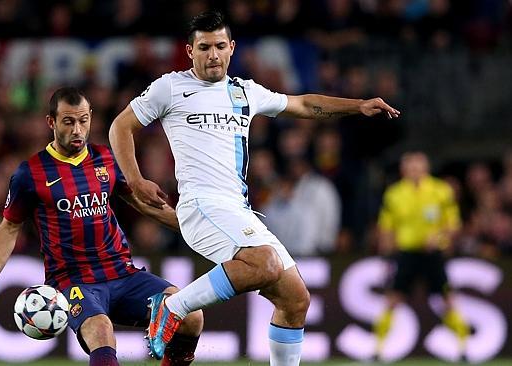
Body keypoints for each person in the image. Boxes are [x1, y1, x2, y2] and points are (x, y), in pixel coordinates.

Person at [108, 10, 400, 364]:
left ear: (231, 48)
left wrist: (358, 105)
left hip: (237, 209)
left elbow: (304, 104)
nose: (212, 54)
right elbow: (120, 127)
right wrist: (136, 180)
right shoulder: (170, 87)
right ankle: (172, 306)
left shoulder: (246, 91)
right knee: (265, 262)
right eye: (203, 47)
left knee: (295, 300)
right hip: (202, 205)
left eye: (219, 46)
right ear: (190, 51)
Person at [0, 87, 203, 366]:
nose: (77, 129)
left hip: (123, 273)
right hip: (74, 282)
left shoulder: (106, 159)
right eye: (68, 121)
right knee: (101, 330)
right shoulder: (31, 173)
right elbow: (9, 227)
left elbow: (141, 203)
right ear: (51, 122)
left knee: (191, 316)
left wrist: (197, 230)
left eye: (83, 121)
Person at [373, 151, 469, 358]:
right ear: (403, 170)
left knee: (447, 298)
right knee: (393, 298)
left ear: (426, 169)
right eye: (410, 167)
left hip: (433, 254)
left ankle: (463, 348)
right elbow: (386, 227)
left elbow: (453, 224)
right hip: (407, 254)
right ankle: (378, 350)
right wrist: (386, 254)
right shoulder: (394, 194)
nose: (414, 171)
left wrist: (440, 238)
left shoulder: (441, 191)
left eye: (418, 167)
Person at [262, 155, 341, 257]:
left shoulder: (307, 209)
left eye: (287, 187)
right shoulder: (269, 210)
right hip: (279, 258)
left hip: (305, 256)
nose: (283, 191)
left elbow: (307, 240)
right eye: (281, 187)